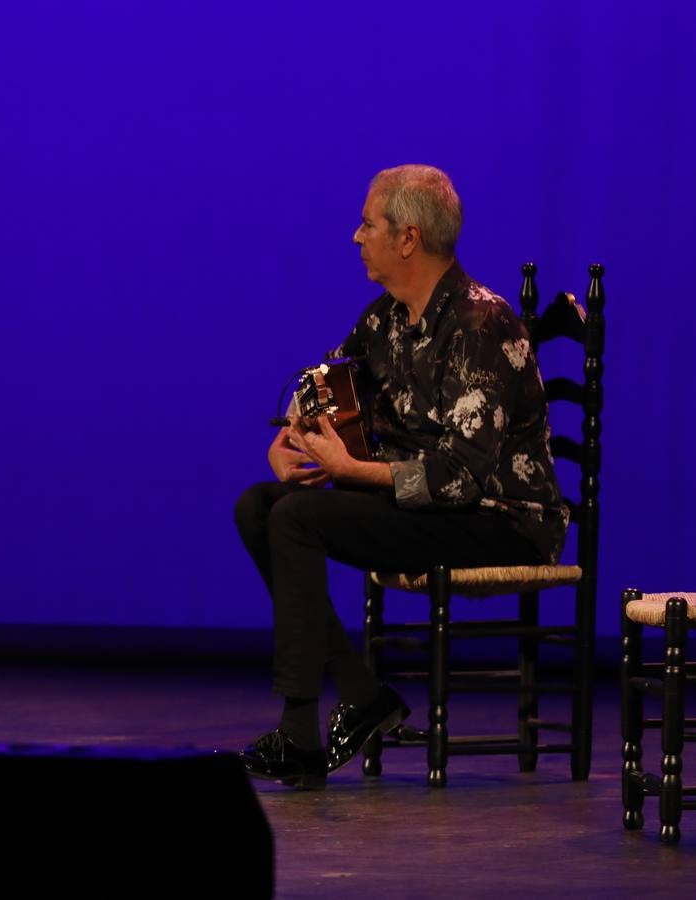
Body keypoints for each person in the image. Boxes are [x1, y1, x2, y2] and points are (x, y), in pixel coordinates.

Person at [233, 165, 567, 789]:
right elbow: (328, 392)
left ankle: (303, 733)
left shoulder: (483, 325)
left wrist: (355, 471)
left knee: (297, 518)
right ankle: (361, 694)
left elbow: (463, 478)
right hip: (426, 510)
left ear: (408, 238)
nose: (356, 237)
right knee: (260, 504)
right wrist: (290, 443)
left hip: (500, 518)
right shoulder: (383, 320)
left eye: (368, 224)